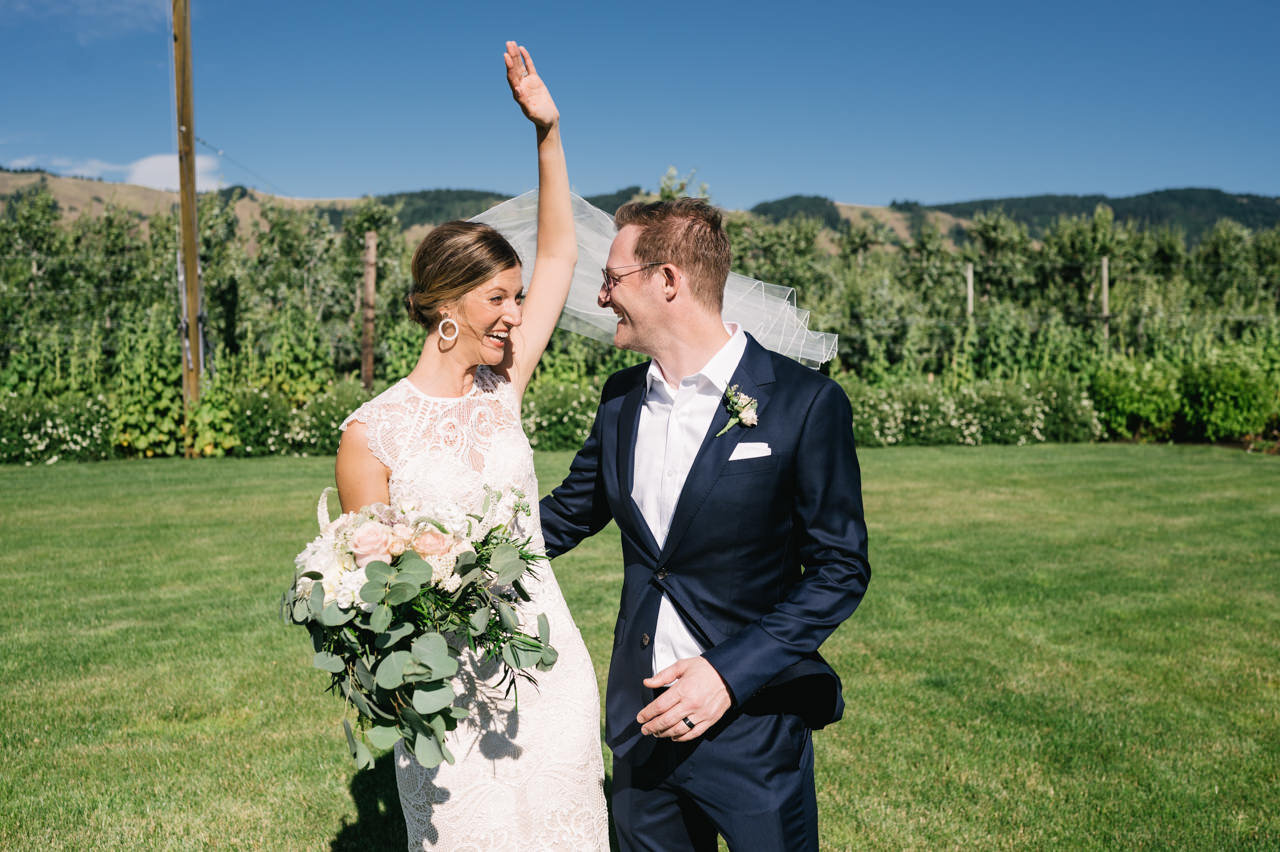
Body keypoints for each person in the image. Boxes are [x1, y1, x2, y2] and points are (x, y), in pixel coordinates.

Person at [334, 42, 609, 850]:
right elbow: (373, 596)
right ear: (447, 304)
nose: (516, 315)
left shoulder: (504, 388)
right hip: (444, 686)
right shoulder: (370, 434)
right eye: (499, 298)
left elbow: (560, 253)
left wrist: (548, 132)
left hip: (546, 660)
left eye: (517, 298)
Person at [539, 197, 871, 851]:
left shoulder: (805, 405)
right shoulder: (620, 402)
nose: (601, 297)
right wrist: (448, 548)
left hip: (751, 725)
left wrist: (727, 674)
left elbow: (840, 570)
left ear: (668, 281)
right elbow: (564, 517)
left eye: (612, 278)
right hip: (640, 725)